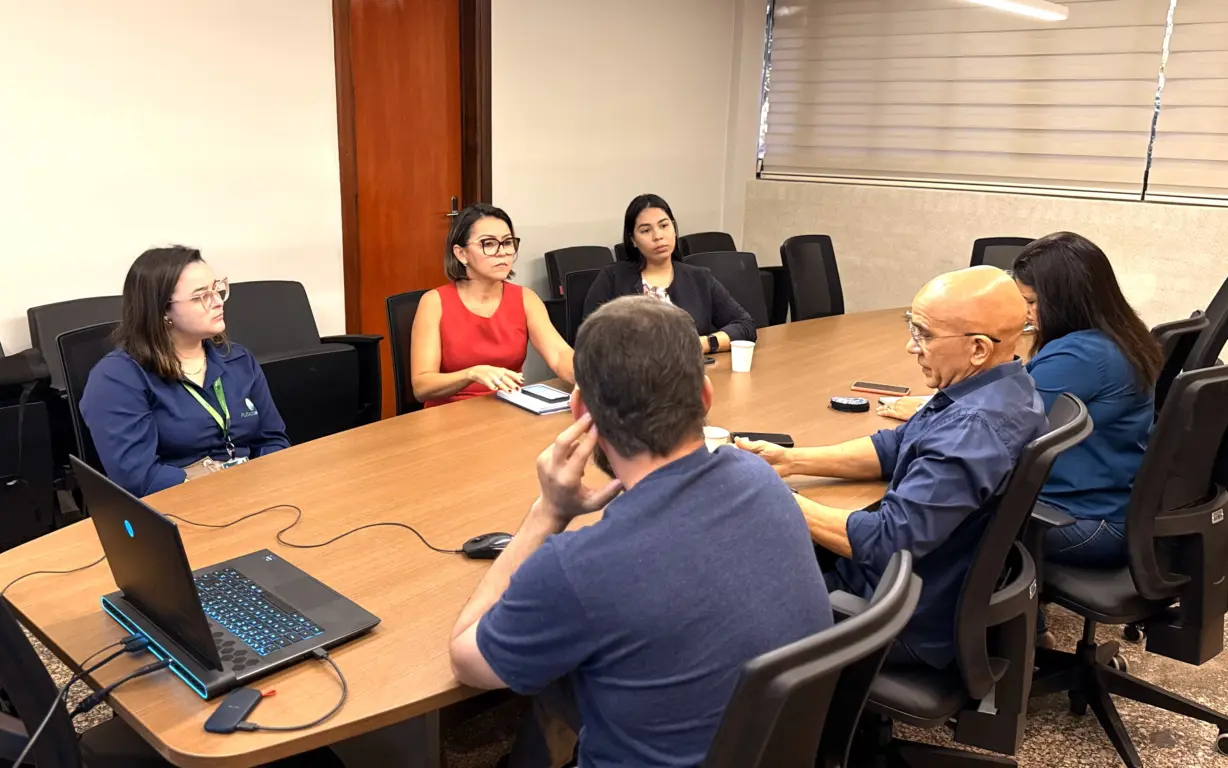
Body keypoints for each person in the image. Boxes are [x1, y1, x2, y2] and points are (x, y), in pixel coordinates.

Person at [449, 296, 831, 767]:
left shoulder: (578, 567)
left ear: (579, 411)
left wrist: (547, 515)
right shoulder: (760, 479)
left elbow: (466, 663)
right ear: (706, 396)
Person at [739, 266, 1047, 670]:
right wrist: (790, 461)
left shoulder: (972, 430)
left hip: (895, 617)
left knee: (726, 593)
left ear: (977, 349)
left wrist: (774, 494)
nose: (910, 346)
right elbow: (894, 447)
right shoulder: (1003, 386)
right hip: (928, 586)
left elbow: (887, 539)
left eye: (925, 335)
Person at [81, 246, 289, 497]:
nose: (217, 302)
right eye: (201, 296)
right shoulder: (117, 377)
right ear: (163, 311)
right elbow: (139, 479)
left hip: (253, 493)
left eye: (217, 288)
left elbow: (273, 439)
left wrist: (263, 480)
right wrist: (219, 484)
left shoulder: (238, 359)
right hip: (179, 506)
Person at [411, 203, 573, 408]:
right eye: (488, 243)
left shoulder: (526, 298)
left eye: (507, 243)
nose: (502, 252)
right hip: (448, 415)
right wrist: (472, 374)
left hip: (508, 408)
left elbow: (559, 355)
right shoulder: (434, 302)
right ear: (461, 254)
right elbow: (422, 386)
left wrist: (592, 376)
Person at [582, 194, 756, 354]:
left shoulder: (699, 278)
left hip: (690, 376)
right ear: (633, 240)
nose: (658, 236)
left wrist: (703, 344)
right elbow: (588, 341)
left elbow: (745, 325)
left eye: (664, 225)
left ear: (674, 227)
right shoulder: (612, 278)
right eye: (645, 230)